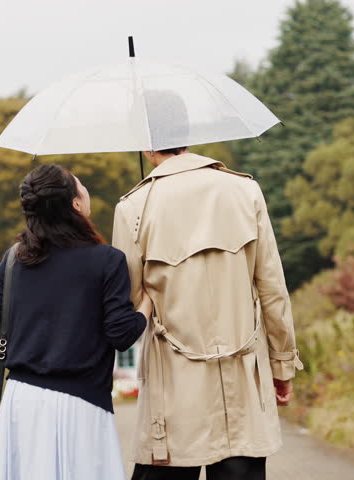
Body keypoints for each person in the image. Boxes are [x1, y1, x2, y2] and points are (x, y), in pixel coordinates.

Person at [112, 143, 303, 480]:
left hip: (170, 394)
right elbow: (273, 289)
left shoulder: (133, 207)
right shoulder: (246, 190)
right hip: (241, 383)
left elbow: (130, 302)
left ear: (147, 147)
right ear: (187, 136)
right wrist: (282, 365)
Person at [0, 163, 152, 480]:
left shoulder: (14, 258)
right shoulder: (107, 260)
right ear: (75, 203)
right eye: (80, 185)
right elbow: (121, 334)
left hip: (21, 402)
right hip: (81, 405)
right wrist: (148, 306)